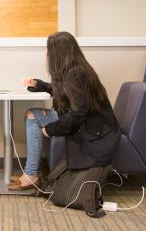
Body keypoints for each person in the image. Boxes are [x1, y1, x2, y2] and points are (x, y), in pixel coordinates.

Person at [8, 31, 121, 191]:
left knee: (33, 115)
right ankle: (32, 173)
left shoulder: (77, 74)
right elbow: (64, 93)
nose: (46, 53)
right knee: (32, 114)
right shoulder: (73, 70)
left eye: (49, 49)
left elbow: (79, 113)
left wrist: (51, 129)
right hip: (86, 121)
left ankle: (32, 174)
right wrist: (37, 84)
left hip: (93, 128)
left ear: (59, 52)